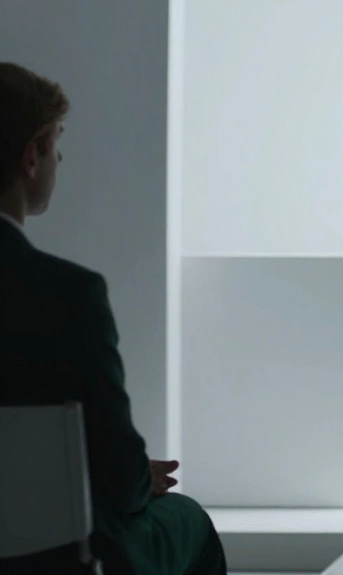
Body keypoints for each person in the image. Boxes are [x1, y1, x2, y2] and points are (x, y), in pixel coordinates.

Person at [0, 62, 227, 575]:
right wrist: (133, 477)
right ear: (31, 156)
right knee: (185, 520)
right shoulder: (66, 294)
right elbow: (122, 483)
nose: (61, 155)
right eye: (56, 141)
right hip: (55, 558)